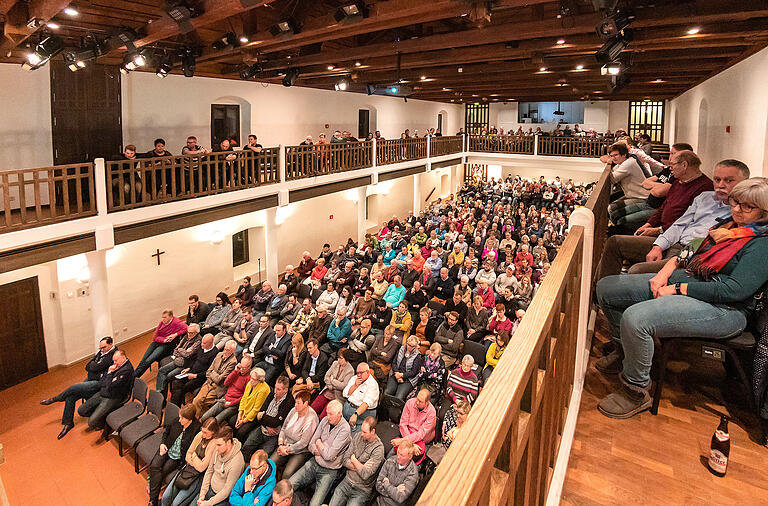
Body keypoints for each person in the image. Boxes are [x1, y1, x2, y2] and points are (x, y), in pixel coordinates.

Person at [595, 177, 768, 419]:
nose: (736, 209)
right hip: (691, 282)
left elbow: (733, 290)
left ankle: (635, 389)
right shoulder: (730, 227)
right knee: (608, 288)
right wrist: (665, 272)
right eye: (735, 202)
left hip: (724, 309)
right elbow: (692, 249)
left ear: (764, 211)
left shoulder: (762, 244)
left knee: (637, 318)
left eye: (746, 206)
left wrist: (678, 289)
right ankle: (627, 353)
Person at [595, 159, 749, 280]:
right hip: (675, 242)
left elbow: (704, 243)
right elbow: (680, 224)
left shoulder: (743, 212)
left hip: (691, 253)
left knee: (637, 270)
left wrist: (677, 259)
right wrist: (658, 245)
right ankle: (599, 293)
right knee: (615, 242)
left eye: (729, 181)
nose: (721, 185)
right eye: (717, 180)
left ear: (744, 182)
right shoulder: (705, 197)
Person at [40, 336, 116, 439]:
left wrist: (93, 366)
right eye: (100, 348)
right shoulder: (102, 353)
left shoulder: (112, 355)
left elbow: (94, 366)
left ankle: (56, 399)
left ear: (110, 345)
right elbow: (88, 366)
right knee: (71, 396)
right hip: (90, 379)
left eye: (104, 347)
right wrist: (93, 366)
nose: (101, 350)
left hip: (98, 383)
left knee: (74, 387)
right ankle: (68, 423)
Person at [289, 400, 351, 506]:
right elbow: (311, 444)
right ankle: (301, 500)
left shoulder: (345, 429)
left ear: (340, 414)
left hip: (329, 471)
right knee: (289, 485)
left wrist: (319, 443)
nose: (328, 416)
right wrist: (318, 449)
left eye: (331, 414)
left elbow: (329, 455)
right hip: (314, 462)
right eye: (327, 413)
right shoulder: (325, 420)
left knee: (315, 504)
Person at [148, 404, 201, 506]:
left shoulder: (196, 429)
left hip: (177, 458)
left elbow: (193, 449)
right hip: (166, 448)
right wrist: (162, 444)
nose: (179, 420)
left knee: (161, 472)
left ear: (189, 419)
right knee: (154, 466)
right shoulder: (177, 420)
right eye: (180, 417)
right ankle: (153, 499)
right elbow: (166, 432)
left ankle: (152, 501)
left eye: (182, 418)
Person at [328, 417, 385, 506]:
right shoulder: (358, 436)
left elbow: (366, 474)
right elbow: (345, 460)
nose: (361, 434)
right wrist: (360, 466)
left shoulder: (378, 449)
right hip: (347, 482)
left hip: (361, 490)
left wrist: (354, 460)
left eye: (365, 432)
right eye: (361, 430)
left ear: (373, 432)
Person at [161, 418, 219, 506]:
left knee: (176, 503)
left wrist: (194, 456)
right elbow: (188, 455)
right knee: (165, 497)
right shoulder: (199, 435)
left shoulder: (214, 444)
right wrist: (196, 460)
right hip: (187, 469)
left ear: (213, 432)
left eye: (206, 433)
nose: (202, 434)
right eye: (202, 431)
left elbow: (202, 468)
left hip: (197, 477)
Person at [76, 349, 134, 432]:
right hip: (104, 392)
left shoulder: (127, 370)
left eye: (116, 360)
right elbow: (102, 381)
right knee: (81, 410)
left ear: (123, 358)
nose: (114, 363)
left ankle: (104, 423)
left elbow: (111, 385)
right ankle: (101, 415)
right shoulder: (116, 366)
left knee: (91, 423)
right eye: (113, 360)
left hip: (114, 396)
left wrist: (109, 373)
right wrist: (108, 377)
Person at [241, 376, 294, 461]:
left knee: (263, 457)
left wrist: (262, 416)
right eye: (276, 387)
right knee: (246, 446)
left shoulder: (289, 401)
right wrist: (266, 425)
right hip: (263, 428)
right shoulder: (272, 393)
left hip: (274, 435)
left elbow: (276, 422)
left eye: (279, 389)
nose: (276, 391)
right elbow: (261, 410)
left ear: (285, 390)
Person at [272, 390, 319, 479]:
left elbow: (303, 443)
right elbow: (284, 428)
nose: (295, 405)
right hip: (284, 445)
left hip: (300, 451)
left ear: (306, 404)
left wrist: (288, 449)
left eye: (298, 403)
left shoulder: (311, 419)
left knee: (287, 474)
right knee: (271, 463)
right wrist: (281, 444)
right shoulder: (294, 410)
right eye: (295, 402)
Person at [198, 426, 245, 506]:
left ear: (229, 442)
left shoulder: (237, 462)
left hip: (222, 499)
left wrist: (209, 503)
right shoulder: (218, 450)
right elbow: (209, 471)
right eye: (216, 444)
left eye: (219, 445)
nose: (216, 448)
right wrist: (203, 493)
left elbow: (227, 490)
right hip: (210, 489)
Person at [191, 341, 239, 419]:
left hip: (218, 388)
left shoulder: (233, 362)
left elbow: (219, 380)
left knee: (203, 402)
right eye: (225, 349)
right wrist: (214, 374)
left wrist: (213, 373)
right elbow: (208, 371)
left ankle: (196, 420)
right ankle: (195, 420)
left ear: (233, 351)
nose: (225, 351)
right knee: (197, 400)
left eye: (228, 350)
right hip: (209, 382)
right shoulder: (219, 354)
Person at [169, 334, 219, 407]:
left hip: (199, 378)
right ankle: (175, 406)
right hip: (191, 372)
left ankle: (174, 407)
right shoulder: (201, 348)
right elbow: (193, 359)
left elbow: (209, 372)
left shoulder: (215, 353)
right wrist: (188, 368)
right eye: (202, 342)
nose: (202, 344)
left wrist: (195, 376)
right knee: (175, 382)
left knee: (183, 387)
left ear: (211, 343)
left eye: (204, 343)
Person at [201, 354, 253, 423]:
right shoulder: (237, 372)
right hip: (225, 398)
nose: (241, 370)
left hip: (234, 405)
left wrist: (231, 403)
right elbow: (226, 383)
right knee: (204, 417)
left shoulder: (249, 379)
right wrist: (234, 371)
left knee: (214, 421)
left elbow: (244, 397)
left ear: (249, 367)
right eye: (241, 367)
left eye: (244, 368)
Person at [135, 310, 188, 378]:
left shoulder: (176, 322)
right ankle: (133, 376)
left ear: (171, 317)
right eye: (162, 317)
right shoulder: (161, 323)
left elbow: (187, 328)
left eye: (165, 317)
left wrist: (175, 334)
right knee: (143, 360)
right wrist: (164, 339)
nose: (163, 319)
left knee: (148, 361)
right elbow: (155, 337)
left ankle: (134, 377)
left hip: (166, 345)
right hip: (158, 342)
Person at [155, 323, 202, 397]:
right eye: (188, 332)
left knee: (168, 376)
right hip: (177, 360)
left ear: (196, 333)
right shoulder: (186, 336)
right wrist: (183, 351)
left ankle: (162, 398)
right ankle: (159, 392)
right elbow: (176, 349)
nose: (189, 334)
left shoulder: (198, 341)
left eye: (191, 333)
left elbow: (188, 355)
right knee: (161, 370)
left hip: (185, 365)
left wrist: (181, 351)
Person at [392, 388, 436, 464]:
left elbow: (421, 434)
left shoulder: (432, 412)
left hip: (422, 440)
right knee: (393, 456)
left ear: (427, 403)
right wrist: (411, 444)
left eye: (420, 401)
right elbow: (403, 424)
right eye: (417, 399)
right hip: (407, 433)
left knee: (412, 461)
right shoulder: (410, 403)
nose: (417, 402)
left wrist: (403, 441)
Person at [312, 348, 355, 418]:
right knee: (312, 409)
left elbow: (343, 386)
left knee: (323, 417)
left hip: (337, 397)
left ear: (346, 359)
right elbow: (326, 376)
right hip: (327, 391)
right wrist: (331, 385)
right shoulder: (335, 363)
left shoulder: (350, 371)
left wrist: (332, 380)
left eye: (341, 358)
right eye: (338, 357)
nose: (339, 360)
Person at [375, 440, 419, 506]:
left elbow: (400, 498)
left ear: (410, 457)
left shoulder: (413, 473)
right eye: (398, 452)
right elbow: (378, 485)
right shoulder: (390, 461)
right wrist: (395, 490)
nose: (398, 456)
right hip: (379, 502)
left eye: (402, 455)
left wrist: (386, 484)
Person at [342, 363, 380, 433]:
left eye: (361, 373)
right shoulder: (354, 379)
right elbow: (345, 394)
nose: (359, 375)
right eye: (357, 373)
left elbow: (366, 403)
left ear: (367, 372)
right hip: (347, 409)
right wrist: (355, 386)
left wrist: (356, 414)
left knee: (352, 438)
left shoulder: (373, 385)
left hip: (361, 415)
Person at [385, 335, 423, 400]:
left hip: (408, 380)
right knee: (387, 393)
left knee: (398, 397)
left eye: (411, 346)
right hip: (396, 374)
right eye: (408, 344)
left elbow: (413, 372)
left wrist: (402, 375)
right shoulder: (401, 349)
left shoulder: (417, 356)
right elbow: (394, 363)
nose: (408, 347)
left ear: (415, 347)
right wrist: (397, 373)